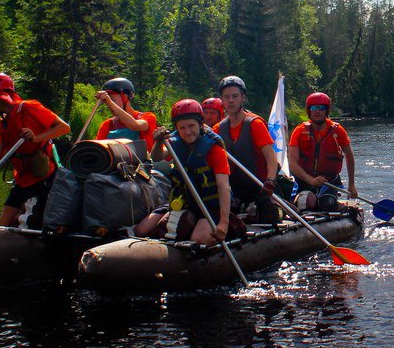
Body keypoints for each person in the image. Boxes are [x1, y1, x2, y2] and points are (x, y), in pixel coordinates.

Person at [0, 72, 70, 229]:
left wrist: (36, 137)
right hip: (21, 180)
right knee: (3, 223)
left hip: (42, 180)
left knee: (30, 223)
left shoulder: (29, 107)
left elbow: (64, 128)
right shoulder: (4, 123)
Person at [134, 99, 235, 244]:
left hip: (211, 206)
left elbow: (223, 187)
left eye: (191, 126)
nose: (187, 132)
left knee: (198, 240)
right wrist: (159, 141)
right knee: (141, 231)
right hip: (185, 201)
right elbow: (156, 157)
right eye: (182, 128)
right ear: (176, 128)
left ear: (201, 124)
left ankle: (225, 227)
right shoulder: (174, 142)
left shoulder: (213, 148)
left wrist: (224, 222)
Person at [214, 75, 281, 223]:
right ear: (222, 100)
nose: (231, 100)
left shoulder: (255, 124)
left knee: (268, 214)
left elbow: (271, 156)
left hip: (260, 189)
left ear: (243, 98)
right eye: (227, 97)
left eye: (235, 96)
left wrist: (270, 180)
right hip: (235, 191)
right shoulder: (218, 129)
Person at [288, 91, 356, 210]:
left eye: (321, 108)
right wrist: (311, 180)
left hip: (329, 181)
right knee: (305, 202)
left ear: (326, 111)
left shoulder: (338, 131)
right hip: (305, 181)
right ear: (309, 111)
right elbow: (292, 163)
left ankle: (337, 205)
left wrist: (351, 185)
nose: (317, 111)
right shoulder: (299, 131)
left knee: (327, 203)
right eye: (314, 108)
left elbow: (349, 155)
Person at [94, 77, 158, 154]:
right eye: (106, 102)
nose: (109, 105)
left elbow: (134, 125)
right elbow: (98, 149)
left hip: (145, 164)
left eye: (112, 100)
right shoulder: (107, 125)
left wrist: (110, 102)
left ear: (125, 97)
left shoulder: (148, 116)